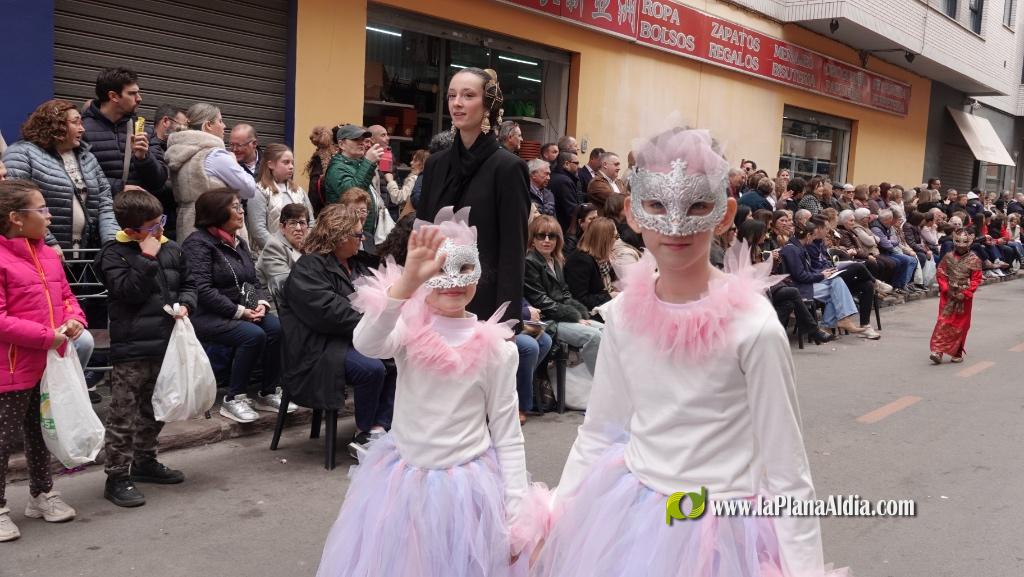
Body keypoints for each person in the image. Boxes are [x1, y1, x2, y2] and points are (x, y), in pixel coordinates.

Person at [535, 128, 844, 577]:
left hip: (720, 532)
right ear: (632, 214)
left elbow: (786, 469)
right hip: (629, 519)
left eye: (698, 205)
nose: (675, 225)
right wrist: (557, 521)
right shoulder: (622, 314)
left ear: (725, 214)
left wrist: (803, 568)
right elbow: (600, 430)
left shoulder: (753, 326)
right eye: (657, 205)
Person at [316, 208, 548, 577]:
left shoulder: (498, 350)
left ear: (478, 274)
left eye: (463, 269)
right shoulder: (408, 330)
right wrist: (406, 285)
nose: (453, 281)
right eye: (440, 271)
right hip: (403, 482)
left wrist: (516, 506)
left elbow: (507, 431)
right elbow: (366, 343)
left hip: (468, 488)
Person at [95, 188, 195, 508]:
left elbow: (190, 283)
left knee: (157, 407)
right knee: (123, 412)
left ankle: (145, 461)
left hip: (166, 342)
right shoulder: (113, 253)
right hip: (131, 347)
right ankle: (117, 475)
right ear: (131, 229)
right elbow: (128, 292)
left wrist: (186, 304)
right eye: (152, 226)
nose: (160, 230)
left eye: (161, 221)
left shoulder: (174, 250)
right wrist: (147, 257)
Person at [0, 179, 86, 541]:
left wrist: (75, 321)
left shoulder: (50, 255)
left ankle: (41, 494)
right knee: (3, 439)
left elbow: (67, 296)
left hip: (49, 363)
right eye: (42, 209)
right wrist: (47, 336)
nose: (50, 217)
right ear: (16, 218)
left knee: (42, 431)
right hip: (13, 365)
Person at [279, 204, 394, 455]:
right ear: (339, 236)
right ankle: (365, 432)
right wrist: (377, 325)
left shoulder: (358, 263)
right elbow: (331, 314)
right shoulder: (309, 268)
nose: (362, 239)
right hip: (320, 347)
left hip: (351, 338)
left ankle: (379, 427)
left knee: (396, 359)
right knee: (372, 368)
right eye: (357, 234)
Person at [417, 68, 530, 322]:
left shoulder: (508, 168)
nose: (457, 103)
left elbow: (513, 250)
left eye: (468, 95)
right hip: (437, 291)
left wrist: (507, 321)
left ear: (488, 106)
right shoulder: (436, 164)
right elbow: (422, 233)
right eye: (451, 96)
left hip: (482, 298)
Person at [181, 188, 288, 423]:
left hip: (242, 309)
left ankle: (268, 391)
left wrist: (260, 304)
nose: (241, 212)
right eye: (235, 207)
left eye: (241, 206)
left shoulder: (238, 242)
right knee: (252, 335)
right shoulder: (198, 244)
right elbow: (202, 289)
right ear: (218, 212)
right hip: (207, 314)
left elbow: (253, 280)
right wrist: (240, 312)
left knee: (276, 329)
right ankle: (234, 397)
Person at [2, 99, 118, 255]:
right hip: (39, 252)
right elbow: (14, 202)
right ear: (55, 125)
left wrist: (111, 243)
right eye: (75, 123)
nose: (82, 129)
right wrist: (49, 243)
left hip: (85, 254)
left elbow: (105, 202)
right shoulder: (22, 153)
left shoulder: (88, 158)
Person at [165, 103, 258, 240]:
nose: (224, 126)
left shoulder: (178, 152)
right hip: (218, 228)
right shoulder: (214, 155)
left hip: (188, 225)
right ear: (208, 125)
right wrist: (234, 163)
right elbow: (249, 189)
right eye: (220, 121)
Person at [523, 215, 603, 376]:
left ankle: (610, 383)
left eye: (551, 236)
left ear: (557, 239)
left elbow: (565, 293)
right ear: (533, 238)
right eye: (541, 235)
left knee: (605, 330)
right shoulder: (529, 262)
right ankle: (603, 385)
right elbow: (541, 301)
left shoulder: (556, 259)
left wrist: (579, 314)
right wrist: (574, 317)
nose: (547, 240)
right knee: (594, 336)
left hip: (561, 315)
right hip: (547, 320)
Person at [738, 219, 833, 345]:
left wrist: (773, 261)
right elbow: (747, 273)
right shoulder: (743, 250)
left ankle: (772, 337)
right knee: (792, 292)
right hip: (753, 288)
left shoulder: (757, 248)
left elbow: (767, 271)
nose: (765, 236)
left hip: (766, 284)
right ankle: (813, 330)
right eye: (763, 233)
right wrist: (766, 261)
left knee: (788, 303)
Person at [81, 67, 167, 195]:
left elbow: (159, 181)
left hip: (135, 211)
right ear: (113, 96)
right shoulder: (82, 130)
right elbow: (77, 176)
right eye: (132, 93)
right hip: (97, 211)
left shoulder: (145, 131)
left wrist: (143, 158)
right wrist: (118, 188)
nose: (139, 98)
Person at [780, 221, 875, 337]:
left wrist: (823, 272)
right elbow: (800, 276)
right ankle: (837, 321)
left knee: (836, 282)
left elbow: (807, 271)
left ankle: (837, 322)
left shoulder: (798, 248)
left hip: (806, 283)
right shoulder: (792, 250)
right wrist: (821, 275)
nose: (814, 239)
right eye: (814, 235)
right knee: (836, 290)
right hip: (799, 287)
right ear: (808, 235)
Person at [324, 124, 392, 253]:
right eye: (356, 139)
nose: (361, 143)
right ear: (341, 144)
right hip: (346, 234)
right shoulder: (337, 168)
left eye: (363, 139)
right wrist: (368, 162)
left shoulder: (356, 164)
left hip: (363, 232)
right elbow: (353, 195)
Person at [247, 143, 316, 254]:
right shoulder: (259, 191)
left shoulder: (299, 191)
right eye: (286, 162)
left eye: (292, 162)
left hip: (300, 253)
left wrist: (303, 245)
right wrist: (282, 252)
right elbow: (258, 231)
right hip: (269, 256)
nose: (291, 166)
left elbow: (311, 223)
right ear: (271, 165)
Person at [930, 229, 983, 364]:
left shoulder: (974, 260)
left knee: (961, 325)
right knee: (943, 321)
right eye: (958, 243)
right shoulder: (948, 257)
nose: (960, 246)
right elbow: (941, 273)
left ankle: (957, 351)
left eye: (964, 244)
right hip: (948, 295)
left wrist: (965, 293)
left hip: (964, 297)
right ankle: (938, 351)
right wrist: (946, 288)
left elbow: (976, 279)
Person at [565, 217, 619, 314]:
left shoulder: (602, 258)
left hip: (603, 307)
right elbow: (579, 299)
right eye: (615, 237)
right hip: (585, 313)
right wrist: (609, 296)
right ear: (604, 239)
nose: (616, 240)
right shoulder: (581, 260)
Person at [256, 203, 309, 301]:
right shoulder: (274, 247)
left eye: (302, 223)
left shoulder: (308, 243)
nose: (298, 228)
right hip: (273, 304)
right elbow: (285, 285)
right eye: (292, 223)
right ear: (282, 227)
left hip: (301, 298)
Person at [304, 126, 337, 216]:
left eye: (316, 134)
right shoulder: (319, 153)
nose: (311, 136)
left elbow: (326, 167)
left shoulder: (325, 153)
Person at [549, 150, 581, 233]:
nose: (579, 166)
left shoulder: (553, 176)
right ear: (566, 164)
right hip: (564, 229)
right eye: (576, 163)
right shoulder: (565, 181)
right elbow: (571, 210)